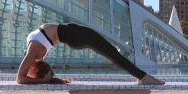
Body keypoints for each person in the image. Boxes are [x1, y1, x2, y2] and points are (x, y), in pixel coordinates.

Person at [16, 23, 164, 85]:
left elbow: (24, 77)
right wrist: (42, 81)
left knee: (112, 55)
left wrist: (44, 79)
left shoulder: (34, 53)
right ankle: (145, 77)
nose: (26, 70)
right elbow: (20, 79)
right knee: (113, 55)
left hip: (74, 35)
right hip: (76, 34)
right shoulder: (33, 54)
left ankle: (142, 77)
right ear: (35, 68)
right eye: (31, 73)